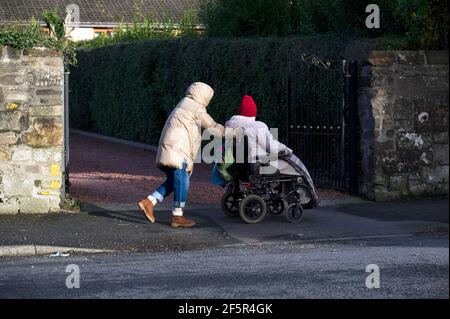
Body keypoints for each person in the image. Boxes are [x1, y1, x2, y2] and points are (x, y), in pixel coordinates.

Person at [138, 82, 224, 228]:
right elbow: (212, 126)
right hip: (178, 150)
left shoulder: (183, 104)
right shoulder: (196, 107)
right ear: (204, 96)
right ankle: (177, 216)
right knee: (183, 182)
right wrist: (233, 132)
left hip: (172, 148)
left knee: (173, 182)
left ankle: (149, 202)